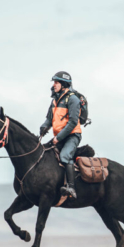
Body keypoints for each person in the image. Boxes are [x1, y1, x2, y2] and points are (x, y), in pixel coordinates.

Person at [40, 71, 82, 199]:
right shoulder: (54, 100)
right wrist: (43, 127)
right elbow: (49, 119)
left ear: (64, 84)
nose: (54, 85)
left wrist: (58, 138)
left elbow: (73, 122)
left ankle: (71, 188)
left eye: (56, 82)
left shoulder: (73, 99)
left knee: (64, 156)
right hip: (59, 137)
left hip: (72, 136)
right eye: (54, 82)